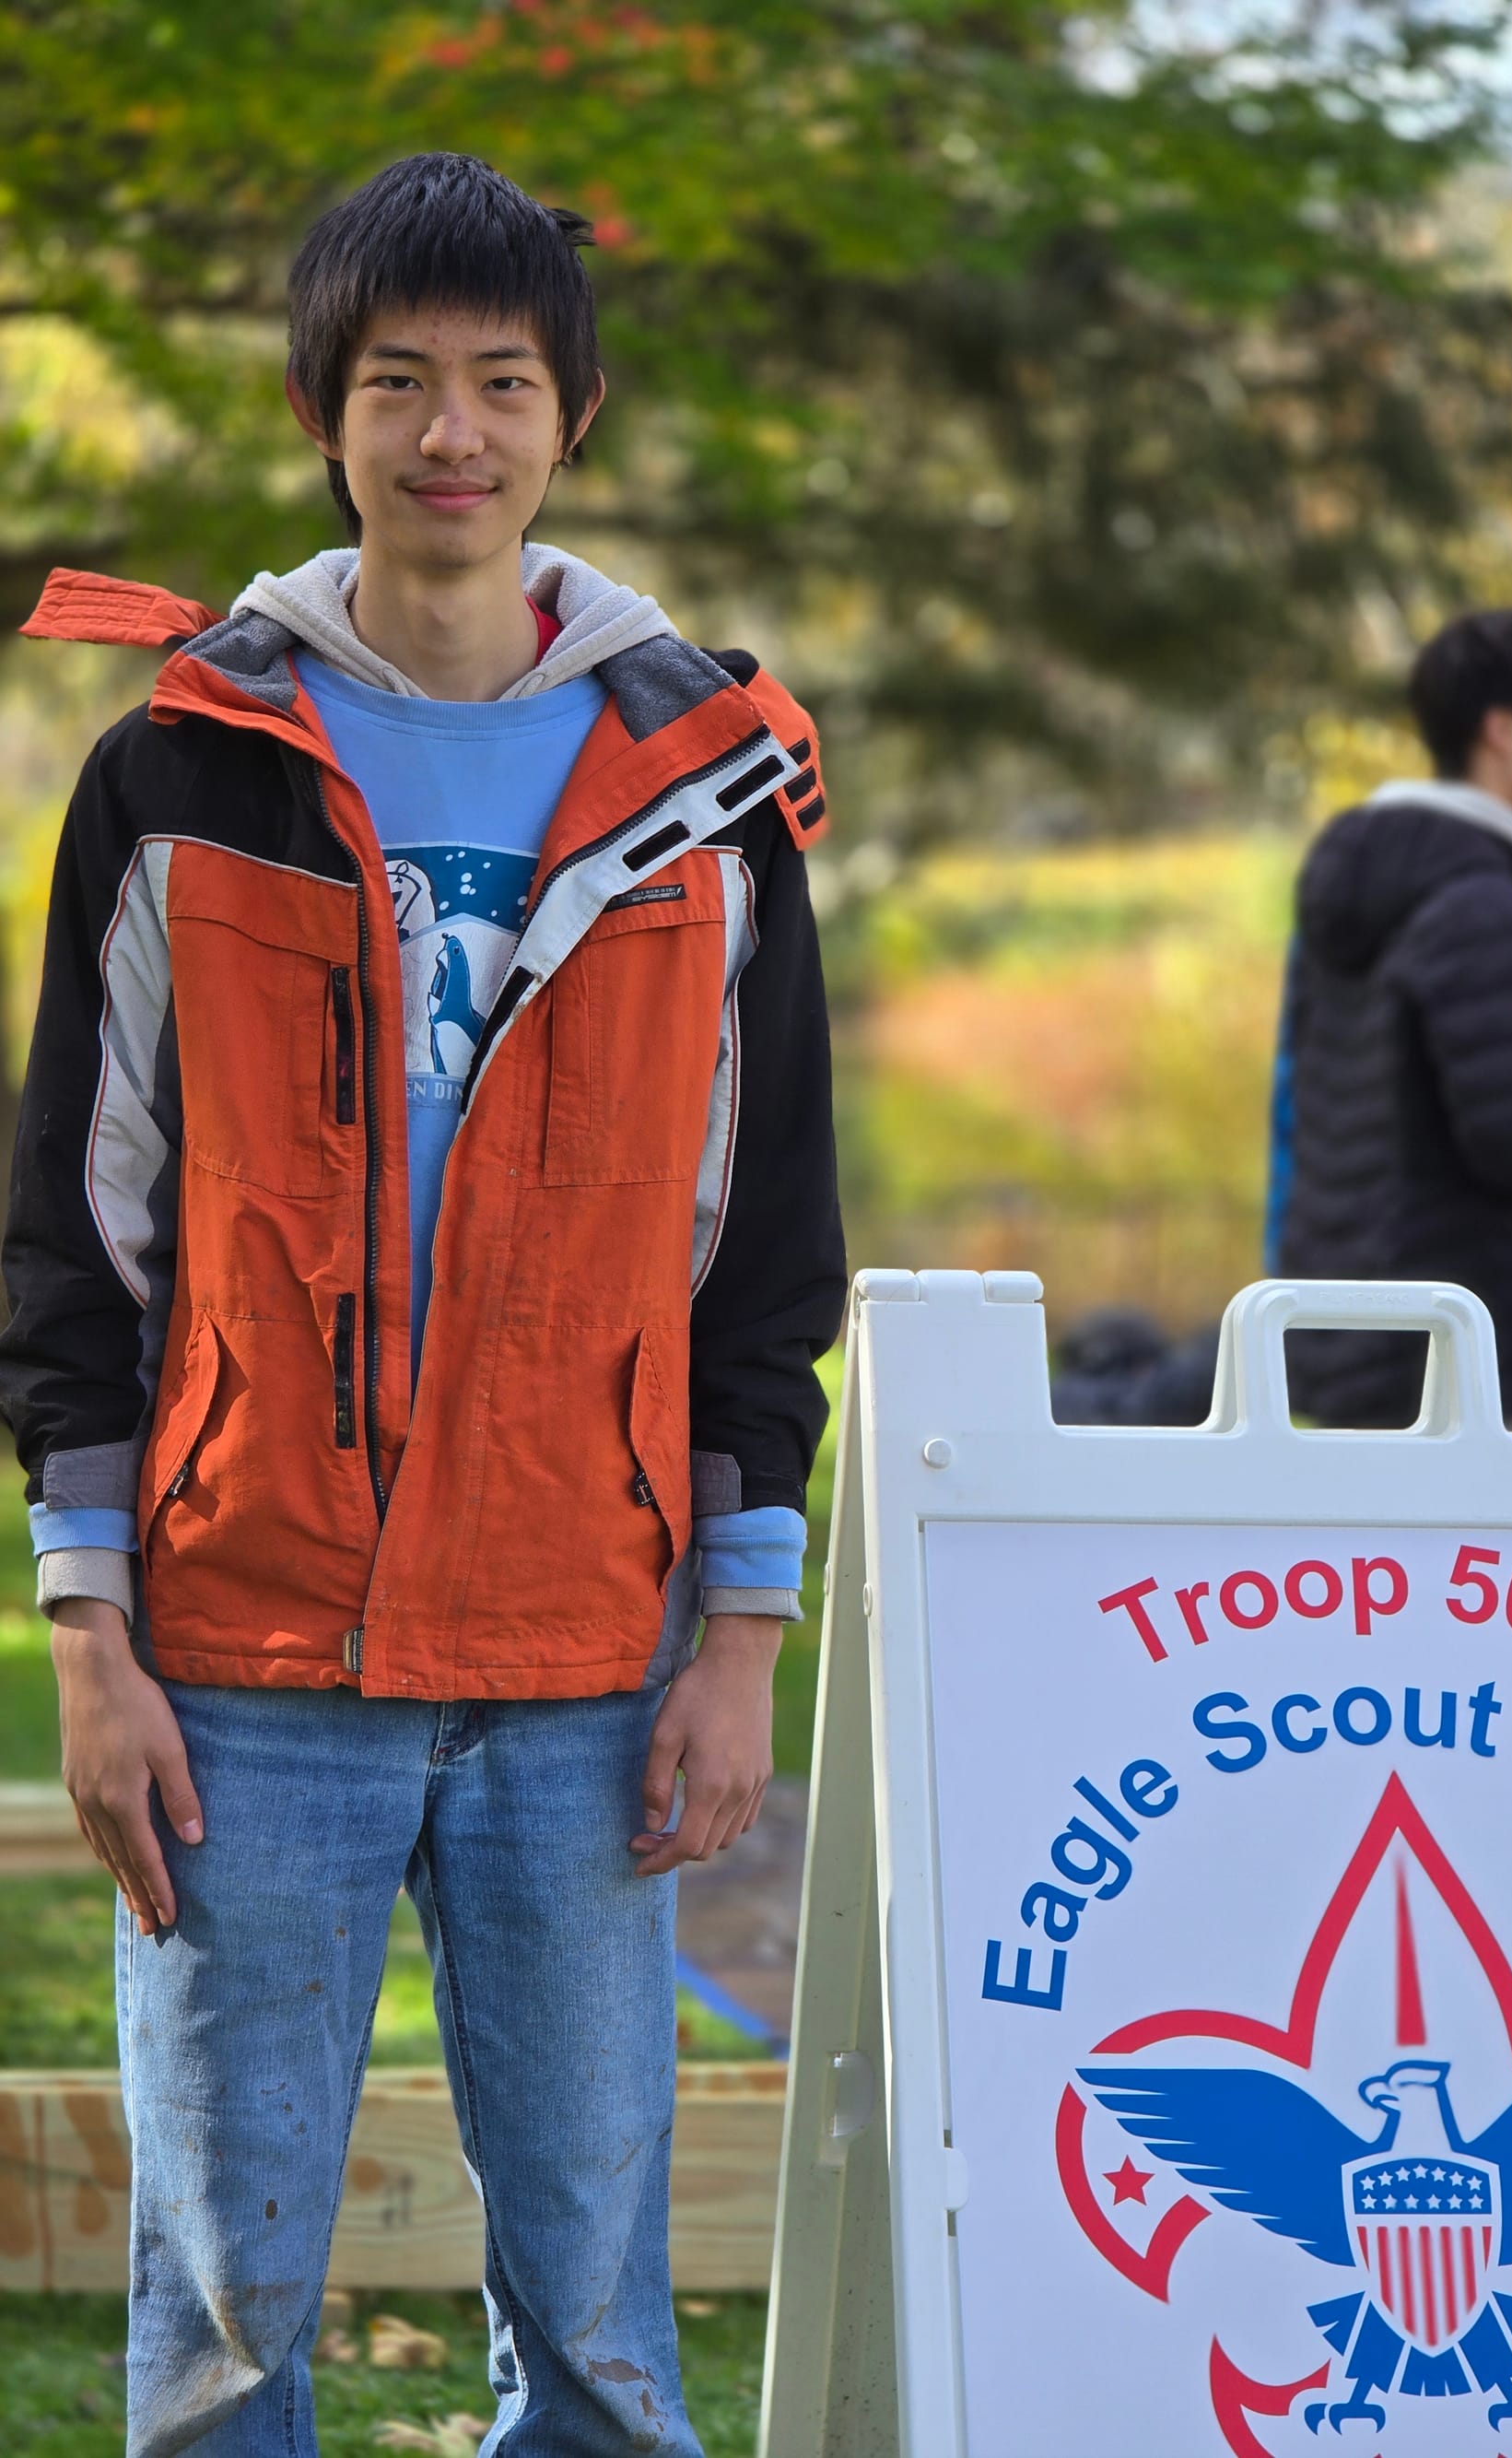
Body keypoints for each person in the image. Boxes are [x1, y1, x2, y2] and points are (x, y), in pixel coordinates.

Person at [0, 153, 844, 2457]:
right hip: (239, 1650)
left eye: (498, 384)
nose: (447, 434)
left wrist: (738, 1633)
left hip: (588, 1647)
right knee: (219, 2323)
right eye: (398, 385)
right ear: (322, 412)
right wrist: (92, 1628)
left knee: (595, 2324)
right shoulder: (185, 764)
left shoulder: (706, 793)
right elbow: (81, 1222)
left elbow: (766, 1246)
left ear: (570, 414)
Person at [1273, 607, 1512, 1429]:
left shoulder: (1366, 883)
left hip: (1360, 1351)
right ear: (1503, 730)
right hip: (1488, 1369)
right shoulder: (1479, 905)